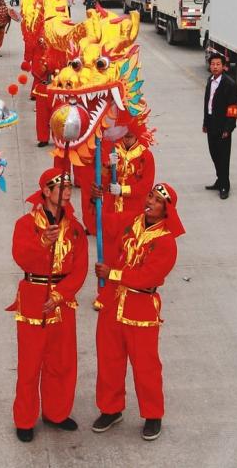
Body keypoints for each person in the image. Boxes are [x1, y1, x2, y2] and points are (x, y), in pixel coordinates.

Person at [92, 182, 185, 441]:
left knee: (146, 366)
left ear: (166, 210)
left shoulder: (166, 242)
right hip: (113, 303)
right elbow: (103, 223)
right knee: (109, 359)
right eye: (150, 196)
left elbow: (147, 276)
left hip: (141, 308)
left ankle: (153, 414)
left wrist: (113, 273)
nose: (149, 202)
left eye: (156, 200)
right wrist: (97, 199)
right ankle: (111, 409)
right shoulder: (132, 221)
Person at [7, 168, 88, 442]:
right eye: (62, 187)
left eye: (69, 187)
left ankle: (56, 412)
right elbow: (22, 258)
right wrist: (43, 242)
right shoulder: (25, 224)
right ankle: (25, 418)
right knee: (30, 363)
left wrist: (60, 294)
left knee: (62, 362)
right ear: (46, 191)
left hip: (62, 302)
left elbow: (80, 269)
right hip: (33, 298)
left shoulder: (75, 228)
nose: (67, 192)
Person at [202, 53, 237, 200]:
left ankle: (225, 186)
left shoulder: (229, 84)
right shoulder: (209, 81)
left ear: (223, 66)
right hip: (211, 123)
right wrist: (205, 122)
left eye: (218, 64)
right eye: (213, 64)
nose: (215, 67)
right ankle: (220, 180)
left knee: (223, 157)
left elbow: (233, 108)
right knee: (214, 153)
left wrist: (228, 128)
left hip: (223, 126)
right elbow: (207, 103)